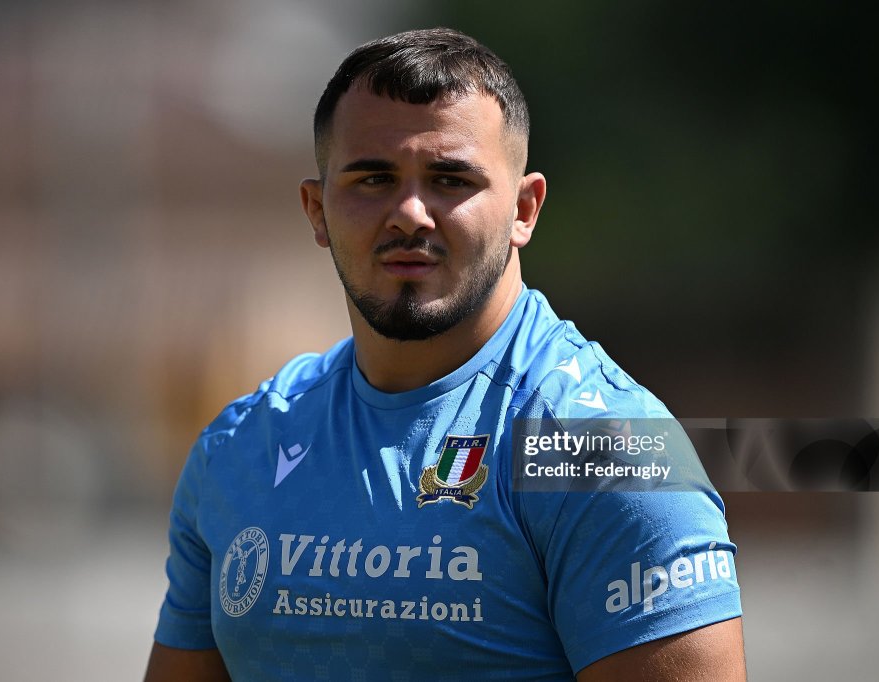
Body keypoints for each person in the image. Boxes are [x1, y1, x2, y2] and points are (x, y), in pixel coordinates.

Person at [145, 27, 745, 681]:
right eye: (373, 178)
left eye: (450, 179)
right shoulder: (242, 447)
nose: (409, 212)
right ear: (317, 210)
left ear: (524, 208)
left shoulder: (604, 449)